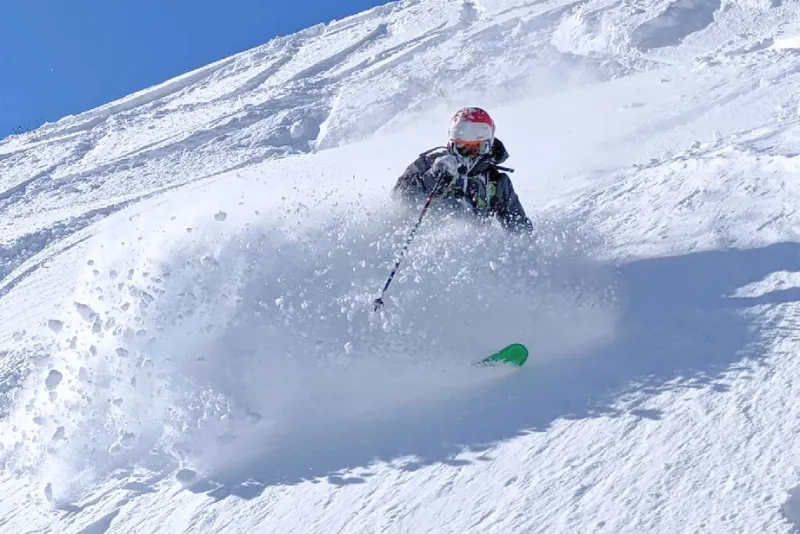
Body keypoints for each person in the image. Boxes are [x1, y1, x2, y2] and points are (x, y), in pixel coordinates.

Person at [393, 107, 533, 233]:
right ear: (452, 142)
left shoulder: (496, 182)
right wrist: (433, 175)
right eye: (462, 148)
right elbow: (400, 196)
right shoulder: (431, 163)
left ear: (489, 145)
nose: (469, 156)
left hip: (473, 253)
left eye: (477, 148)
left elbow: (520, 230)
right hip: (425, 242)